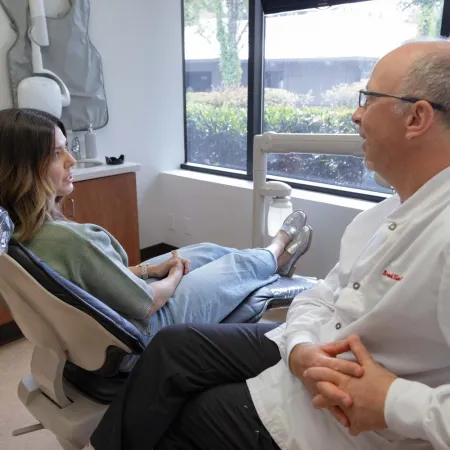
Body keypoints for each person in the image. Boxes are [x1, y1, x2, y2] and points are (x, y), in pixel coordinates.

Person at [88, 39, 450, 450]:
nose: (356, 114)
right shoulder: (379, 216)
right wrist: (299, 347)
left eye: (368, 99)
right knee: (177, 342)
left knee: (188, 407)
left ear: (417, 117)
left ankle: (273, 253)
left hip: (345, 419)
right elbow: (322, 295)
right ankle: (275, 253)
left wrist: (395, 402)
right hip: (313, 349)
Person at [0, 107, 312, 341]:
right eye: (57, 153)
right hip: (147, 327)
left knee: (206, 250)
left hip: (113, 309)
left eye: (66, 148)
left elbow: (91, 278)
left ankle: (268, 261)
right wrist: (174, 274)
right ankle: (277, 250)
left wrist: (149, 270)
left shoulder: (18, 233)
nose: (72, 160)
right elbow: (147, 303)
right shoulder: (71, 242)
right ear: (22, 169)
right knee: (236, 267)